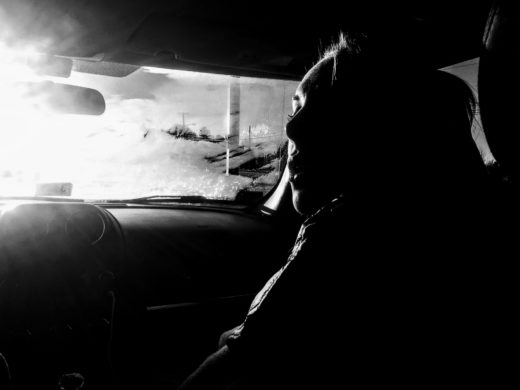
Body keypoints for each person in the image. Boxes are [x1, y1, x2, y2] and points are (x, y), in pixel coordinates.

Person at [178, 32, 489, 389]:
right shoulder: (476, 219)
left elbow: (214, 389)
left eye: (328, 107)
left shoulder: (348, 231)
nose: (291, 128)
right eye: (295, 109)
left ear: (393, 128)